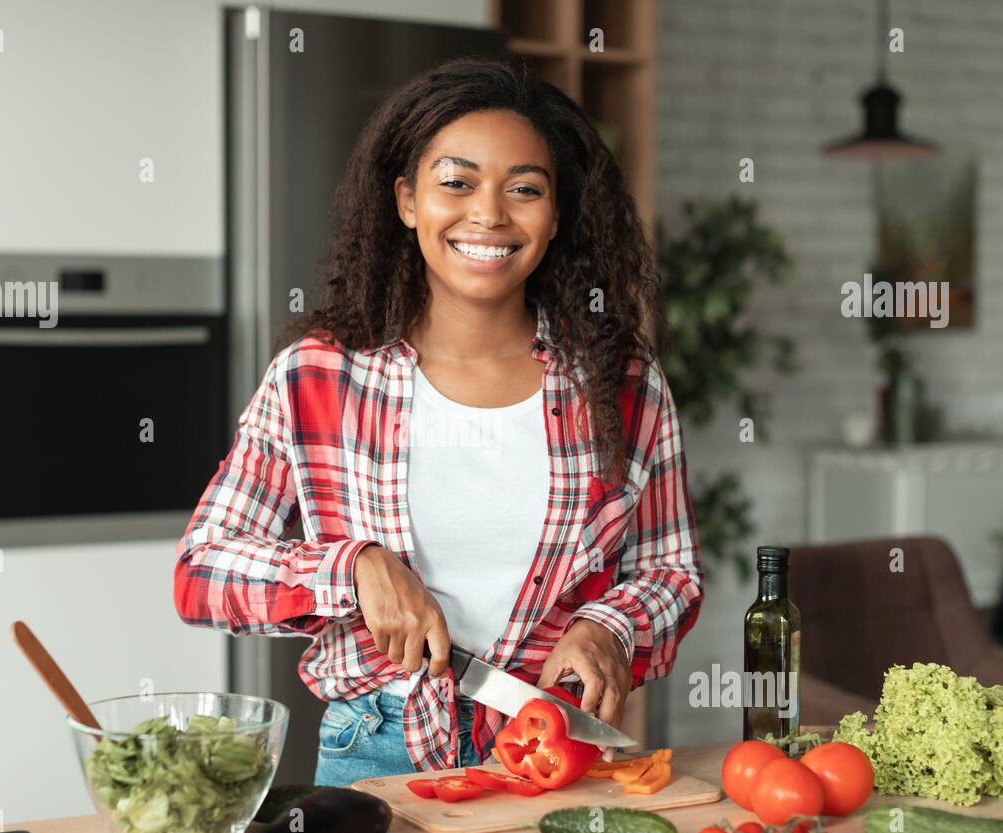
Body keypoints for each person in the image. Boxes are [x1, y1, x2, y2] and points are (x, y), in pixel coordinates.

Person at [174, 56, 704, 787]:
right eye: (456, 182)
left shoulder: (623, 382)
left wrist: (609, 627)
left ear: (556, 217)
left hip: (551, 751)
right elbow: (201, 568)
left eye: (524, 189)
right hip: (375, 747)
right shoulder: (317, 374)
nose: (488, 214)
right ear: (407, 200)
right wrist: (350, 569)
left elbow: (669, 569)